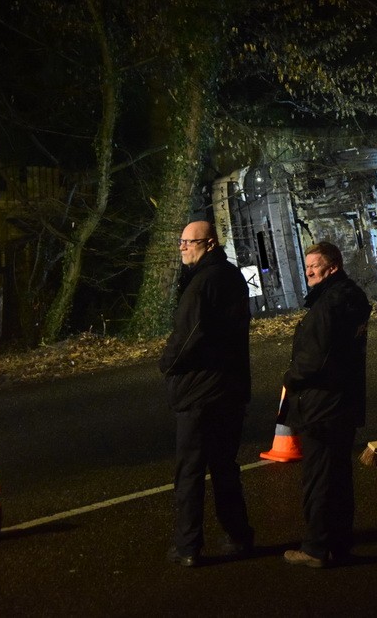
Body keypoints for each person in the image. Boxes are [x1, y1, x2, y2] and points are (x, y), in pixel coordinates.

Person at [159, 220, 255, 567]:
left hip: (200, 391)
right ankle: (239, 535)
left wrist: (166, 363)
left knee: (190, 471)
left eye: (190, 242)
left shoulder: (202, 283)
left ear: (209, 243)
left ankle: (187, 546)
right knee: (225, 467)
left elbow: (188, 335)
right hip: (230, 388)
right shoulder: (231, 277)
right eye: (181, 241)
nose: (183, 247)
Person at [282, 241, 371, 568]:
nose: (308, 273)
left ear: (331, 267)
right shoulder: (355, 299)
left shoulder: (326, 306)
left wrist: (291, 378)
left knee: (318, 480)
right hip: (345, 403)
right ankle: (340, 543)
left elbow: (312, 361)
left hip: (320, 407)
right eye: (306, 267)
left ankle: (316, 548)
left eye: (313, 266)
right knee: (339, 479)